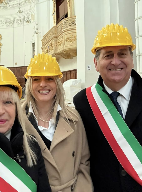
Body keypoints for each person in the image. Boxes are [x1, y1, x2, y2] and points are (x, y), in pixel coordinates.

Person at [73, 23, 142, 192]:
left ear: (131, 59)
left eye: (122, 54)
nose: (116, 61)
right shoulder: (83, 102)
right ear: (96, 63)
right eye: (108, 55)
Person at [21, 53, 93, 192]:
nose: (43, 84)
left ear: (57, 83)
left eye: (49, 78)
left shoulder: (74, 118)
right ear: (30, 84)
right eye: (36, 79)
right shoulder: (17, 119)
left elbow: (84, 162)